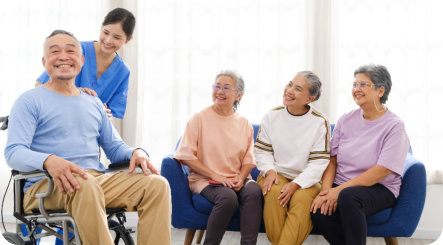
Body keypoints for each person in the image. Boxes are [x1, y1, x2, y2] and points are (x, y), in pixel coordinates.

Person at [4, 30, 171, 245]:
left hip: (94, 179)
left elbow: (114, 147)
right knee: (84, 183)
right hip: (47, 186)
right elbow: (13, 151)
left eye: (70, 51)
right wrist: (49, 160)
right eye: (55, 52)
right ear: (45, 62)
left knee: (157, 185)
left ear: (81, 60)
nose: (63, 56)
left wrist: (136, 152)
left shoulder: (93, 102)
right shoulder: (29, 101)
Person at [310, 64, 410, 245]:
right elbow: (332, 160)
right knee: (318, 209)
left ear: (380, 91)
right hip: (343, 184)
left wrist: (338, 191)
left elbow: (382, 171)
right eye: (354, 84)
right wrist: (326, 192)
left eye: (363, 85)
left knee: (349, 197)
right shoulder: (346, 119)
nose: (356, 89)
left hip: (379, 187)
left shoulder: (394, 125)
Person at [174, 71, 263, 245]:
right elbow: (186, 156)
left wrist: (241, 177)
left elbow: (248, 160)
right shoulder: (199, 118)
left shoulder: (244, 123)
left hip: (235, 178)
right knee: (227, 197)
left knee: (253, 192)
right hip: (206, 180)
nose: (220, 91)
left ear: (239, 95)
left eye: (226, 88)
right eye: (217, 86)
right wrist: (216, 175)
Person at [254, 71, 330, 245]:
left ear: (309, 99)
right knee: (274, 193)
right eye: (290, 84)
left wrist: (296, 185)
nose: (289, 90)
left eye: (297, 89)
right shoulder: (271, 116)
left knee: (302, 200)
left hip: (307, 179)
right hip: (276, 173)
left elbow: (319, 162)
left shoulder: (320, 121)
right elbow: (262, 151)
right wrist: (270, 171)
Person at [35, 8, 135, 119]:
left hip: (90, 130)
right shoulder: (76, 50)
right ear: (101, 28)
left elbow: (112, 114)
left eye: (116, 37)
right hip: (56, 120)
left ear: (128, 39)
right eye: (105, 32)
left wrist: (105, 115)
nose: (108, 40)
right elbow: (39, 86)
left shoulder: (122, 72)